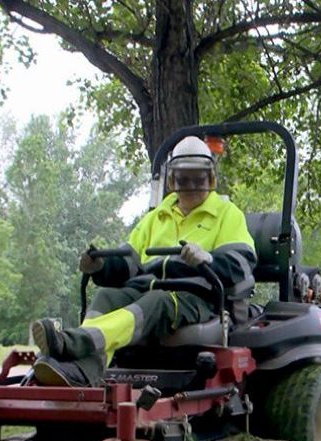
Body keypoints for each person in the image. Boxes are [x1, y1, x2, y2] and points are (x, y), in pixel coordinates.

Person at [29, 135, 257, 387]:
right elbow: (129, 262)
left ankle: (72, 344)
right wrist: (100, 266)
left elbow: (242, 262)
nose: (191, 186)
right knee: (106, 296)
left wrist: (208, 259)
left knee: (157, 301)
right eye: (183, 179)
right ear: (172, 181)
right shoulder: (155, 218)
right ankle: (84, 371)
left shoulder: (227, 214)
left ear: (211, 180)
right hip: (147, 289)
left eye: (198, 179)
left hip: (196, 297)